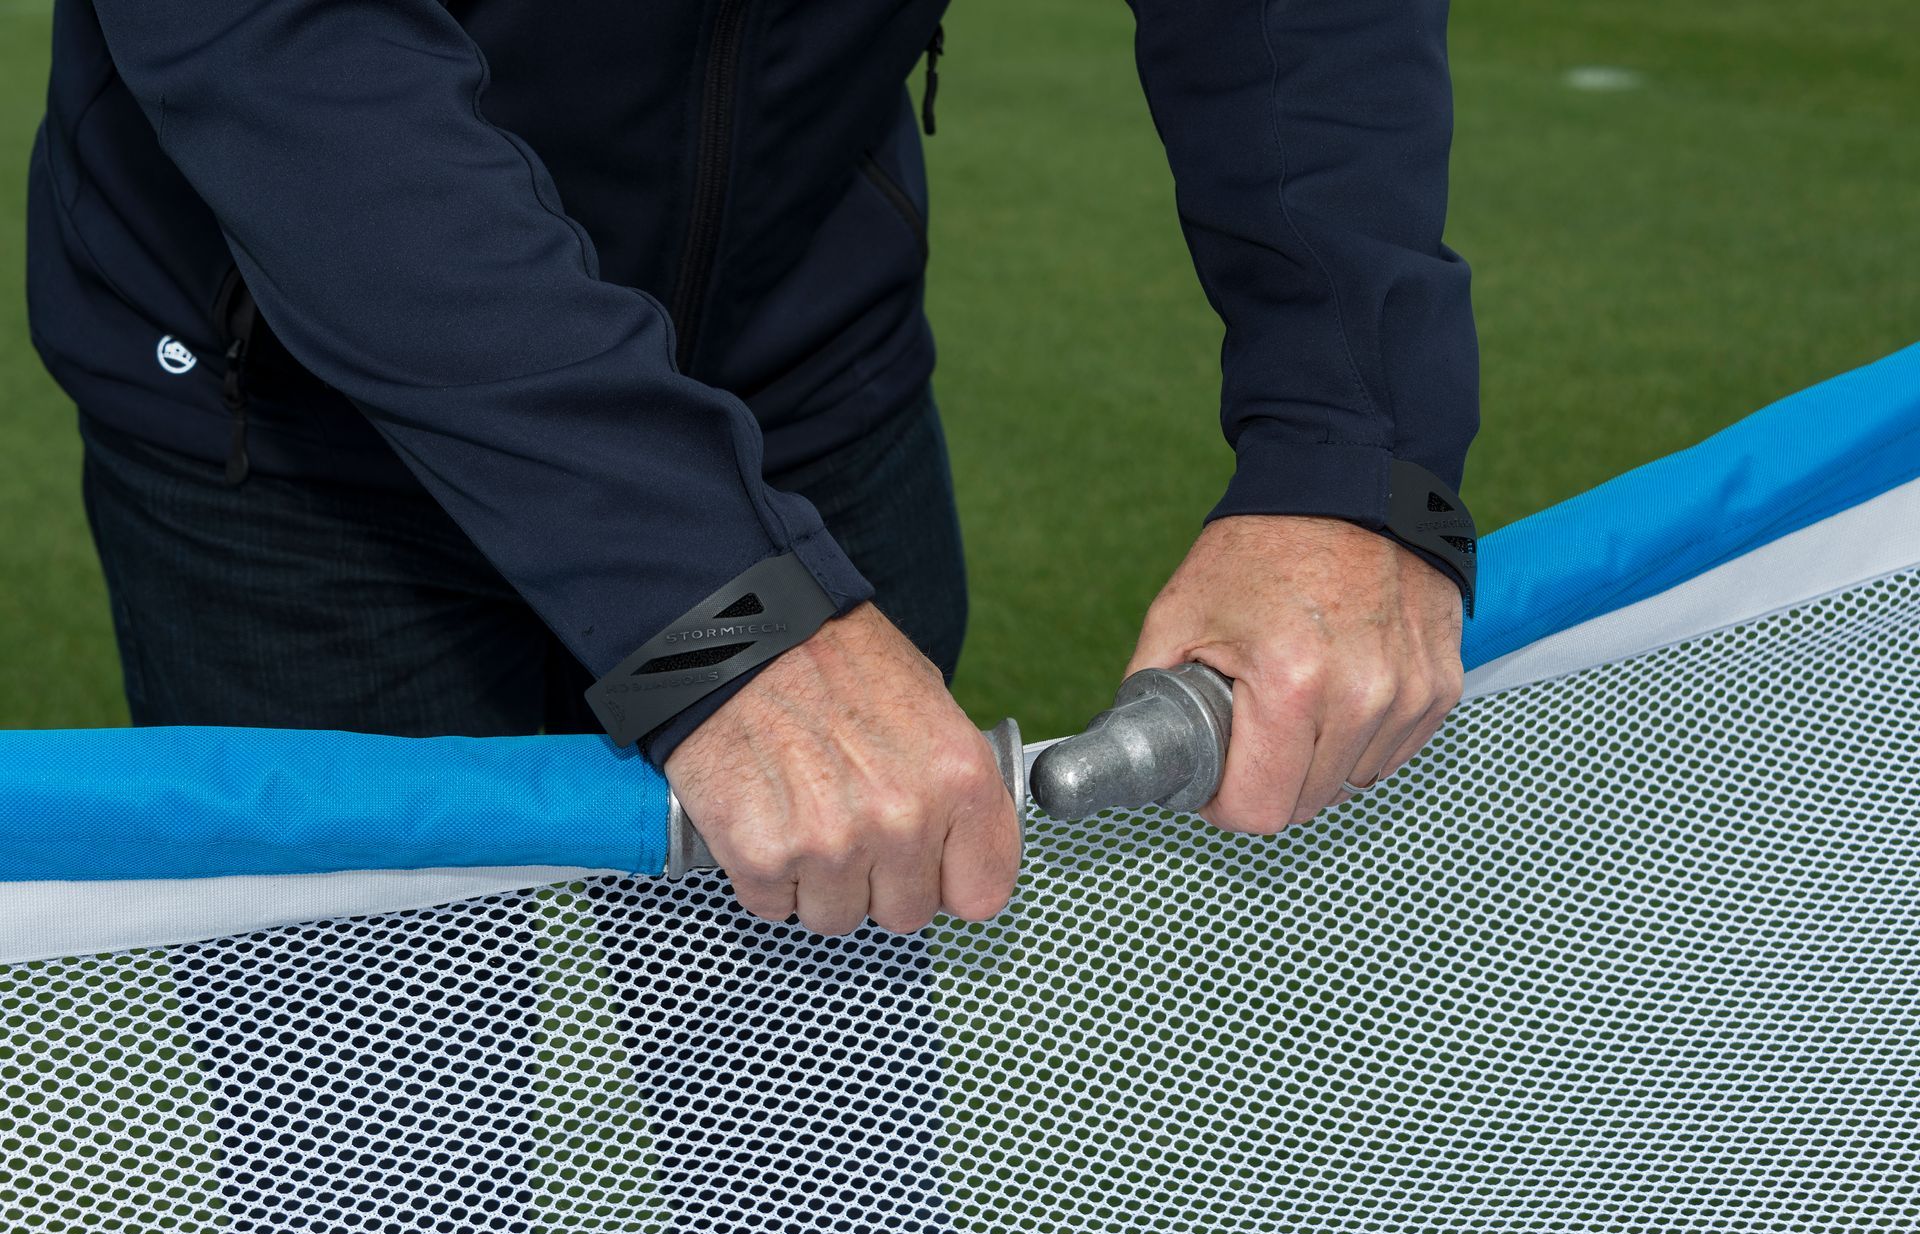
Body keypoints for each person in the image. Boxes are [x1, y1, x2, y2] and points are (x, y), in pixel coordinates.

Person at [30, 0, 1478, 943]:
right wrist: (704, 599)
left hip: (794, 359)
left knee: (821, 1176)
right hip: (294, 429)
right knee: (382, 1184)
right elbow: (289, 50)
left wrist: (1353, 446)